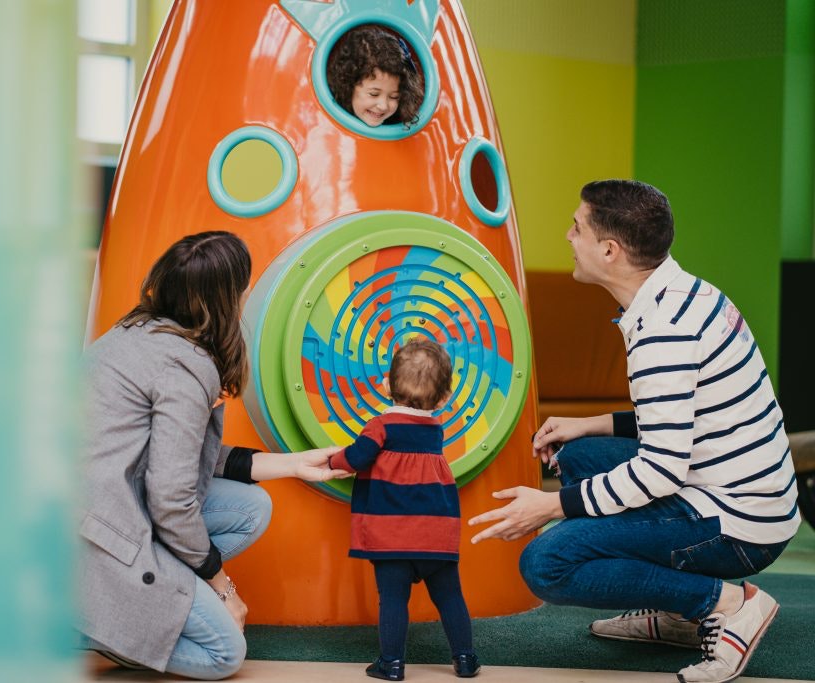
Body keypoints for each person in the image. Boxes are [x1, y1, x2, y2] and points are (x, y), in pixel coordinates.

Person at [468, 180, 800, 683]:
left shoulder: (662, 331)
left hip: (739, 525)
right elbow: (687, 417)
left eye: (576, 227)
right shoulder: (683, 292)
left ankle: (727, 604)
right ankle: (680, 614)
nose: (567, 236)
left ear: (609, 249)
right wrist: (591, 424)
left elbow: (662, 470)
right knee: (578, 456)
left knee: (547, 562)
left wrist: (552, 505)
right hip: (740, 490)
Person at [77, 230, 347, 680]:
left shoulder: (136, 331)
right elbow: (170, 497)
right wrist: (222, 586)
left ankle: (121, 611)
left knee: (251, 505)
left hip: (91, 514)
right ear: (226, 300)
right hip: (101, 536)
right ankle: (99, 626)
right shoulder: (186, 366)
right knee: (225, 653)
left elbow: (179, 455)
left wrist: (294, 463)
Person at [329, 338, 480, 681]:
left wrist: (334, 460)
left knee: (394, 599)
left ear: (386, 384)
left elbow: (358, 457)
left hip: (391, 536)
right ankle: (466, 658)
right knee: (450, 596)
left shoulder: (380, 426)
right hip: (436, 534)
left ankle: (392, 663)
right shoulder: (435, 430)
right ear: (443, 399)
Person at [326, 24, 424, 128]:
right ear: (349, 87)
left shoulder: (397, 124)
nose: (383, 106)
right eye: (374, 94)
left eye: (394, 97)